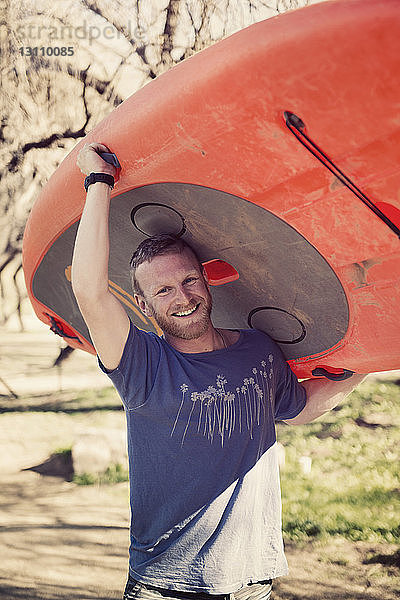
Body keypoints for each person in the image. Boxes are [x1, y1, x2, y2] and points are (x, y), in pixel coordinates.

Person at [72, 142, 366, 600]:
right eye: (164, 290)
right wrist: (98, 182)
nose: (182, 296)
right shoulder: (142, 364)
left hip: (252, 580)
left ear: (206, 280)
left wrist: (363, 366)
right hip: (165, 584)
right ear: (144, 307)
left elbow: (297, 406)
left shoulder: (258, 349)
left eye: (189, 280)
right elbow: (89, 292)